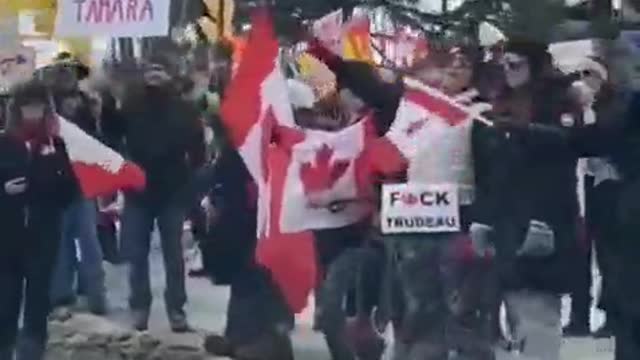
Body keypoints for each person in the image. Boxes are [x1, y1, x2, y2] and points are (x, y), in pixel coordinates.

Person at [115, 56, 206, 332]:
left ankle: (176, 309)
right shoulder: (131, 106)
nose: (154, 76)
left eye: (160, 71)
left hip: (172, 192)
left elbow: (198, 149)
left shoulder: (184, 110)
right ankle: (140, 307)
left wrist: (189, 183)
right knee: (136, 253)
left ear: (170, 76)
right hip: (138, 191)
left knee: (173, 255)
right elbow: (113, 134)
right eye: (151, 70)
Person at [0, 80, 77, 360]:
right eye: (27, 106)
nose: (32, 112)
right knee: (6, 299)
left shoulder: (56, 145)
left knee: (37, 298)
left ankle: (32, 349)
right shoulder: (5, 143)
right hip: (7, 235)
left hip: (43, 232)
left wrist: (46, 182)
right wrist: (5, 192)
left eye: (38, 106)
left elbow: (70, 190)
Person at [44, 53, 109, 316]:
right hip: (56, 184)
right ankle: (62, 296)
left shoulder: (87, 105)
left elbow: (98, 141)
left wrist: (97, 115)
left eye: (70, 71)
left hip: (81, 183)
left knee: (88, 241)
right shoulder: (47, 109)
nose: (66, 76)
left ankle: (95, 294)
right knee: (61, 243)